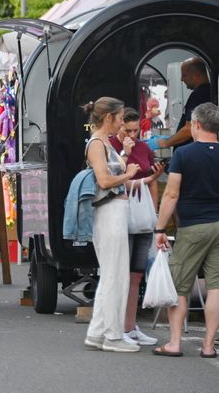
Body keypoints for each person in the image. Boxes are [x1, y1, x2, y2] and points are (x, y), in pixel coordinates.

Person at [153, 102, 219, 358]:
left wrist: (160, 227)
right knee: (215, 286)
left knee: (179, 285)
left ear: (197, 125)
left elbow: (170, 194)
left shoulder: (184, 154)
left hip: (192, 227)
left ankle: (175, 342)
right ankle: (208, 345)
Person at [82, 97, 141, 353]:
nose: (121, 123)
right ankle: (112, 335)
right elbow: (104, 180)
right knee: (114, 275)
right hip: (108, 210)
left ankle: (98, 332)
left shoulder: (103, 143)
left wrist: (125, 160)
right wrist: (127, 174)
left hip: (113, 210)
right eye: (119, 118)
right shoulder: (97, 144)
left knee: (112, 273)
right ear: (108, 118)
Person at [108, 107, 164, 346]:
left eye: (135, 130)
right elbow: (110, 180)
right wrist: (124, 152)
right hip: (119, 213)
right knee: (119, 273)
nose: (132, 134)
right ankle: (115, 326)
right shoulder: (110, 147)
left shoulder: (144, 148)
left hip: (142, 215)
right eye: (127, 130)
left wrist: (155, 213)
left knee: (136, 274)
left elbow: (152, 182)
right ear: (119, 127)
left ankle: (130, 327)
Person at [158, 57, 211, 150]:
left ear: (196, 75)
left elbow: (189, 129)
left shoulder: (199, 95)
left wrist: (166, 143)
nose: (181, 79)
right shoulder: (206, 92)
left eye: (184, 75)